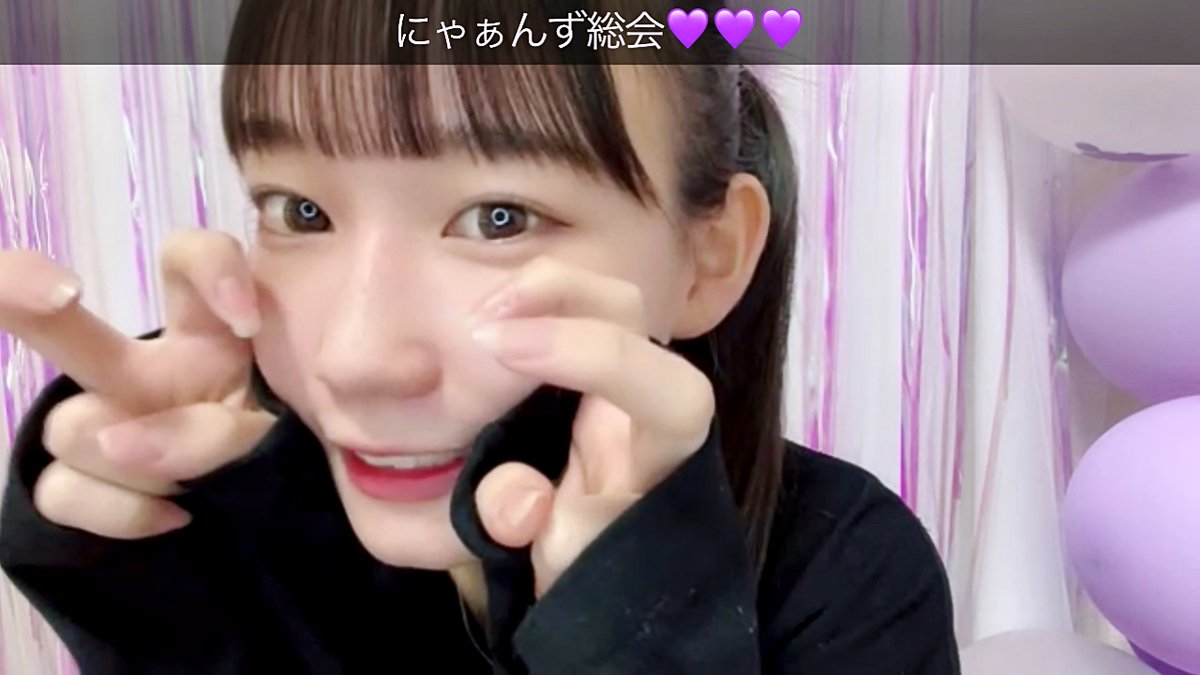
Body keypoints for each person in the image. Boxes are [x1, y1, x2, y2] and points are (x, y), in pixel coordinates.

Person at [0, 1, 960, 673]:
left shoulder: (845, 576)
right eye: (299, 210)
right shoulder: (255, 524)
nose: (354, 360)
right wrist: (174, 604)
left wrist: (635, 638)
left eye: (500, 218)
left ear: (708, 258)